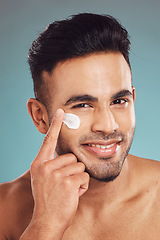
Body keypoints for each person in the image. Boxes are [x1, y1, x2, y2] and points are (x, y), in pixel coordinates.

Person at [0, 13, 160, 240]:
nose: (107, 126)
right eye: (83, 105)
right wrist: (45, 226)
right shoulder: (4, 210)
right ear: (40, 116)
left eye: (119, 101)